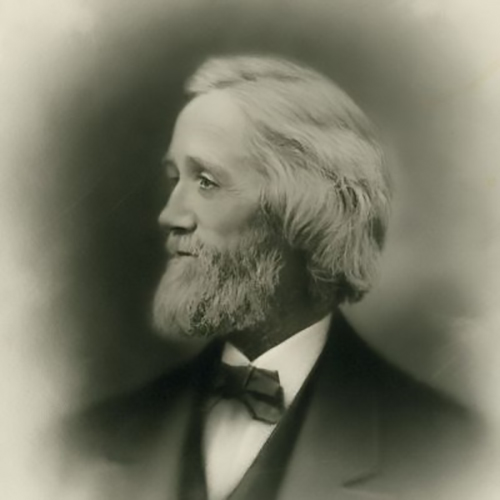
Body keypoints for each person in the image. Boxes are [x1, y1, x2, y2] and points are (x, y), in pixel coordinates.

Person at [64, 55, 484, 500]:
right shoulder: (82, 443)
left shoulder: (456, 454)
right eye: (174, 179)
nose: (170, 215)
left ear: (304, 215)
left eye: (206, 181)